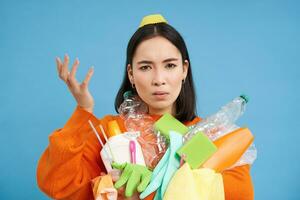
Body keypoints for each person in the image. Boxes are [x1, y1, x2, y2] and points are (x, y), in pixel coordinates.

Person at [37, 14, 254, 200]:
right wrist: (84, 110)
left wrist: (146, 191)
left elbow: (240, 193)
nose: (159, 79)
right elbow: (59, 184)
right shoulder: (109, 133)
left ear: (184, 70)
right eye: (146, 67)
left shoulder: (210, 135)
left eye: (170, 65)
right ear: (131, 74)